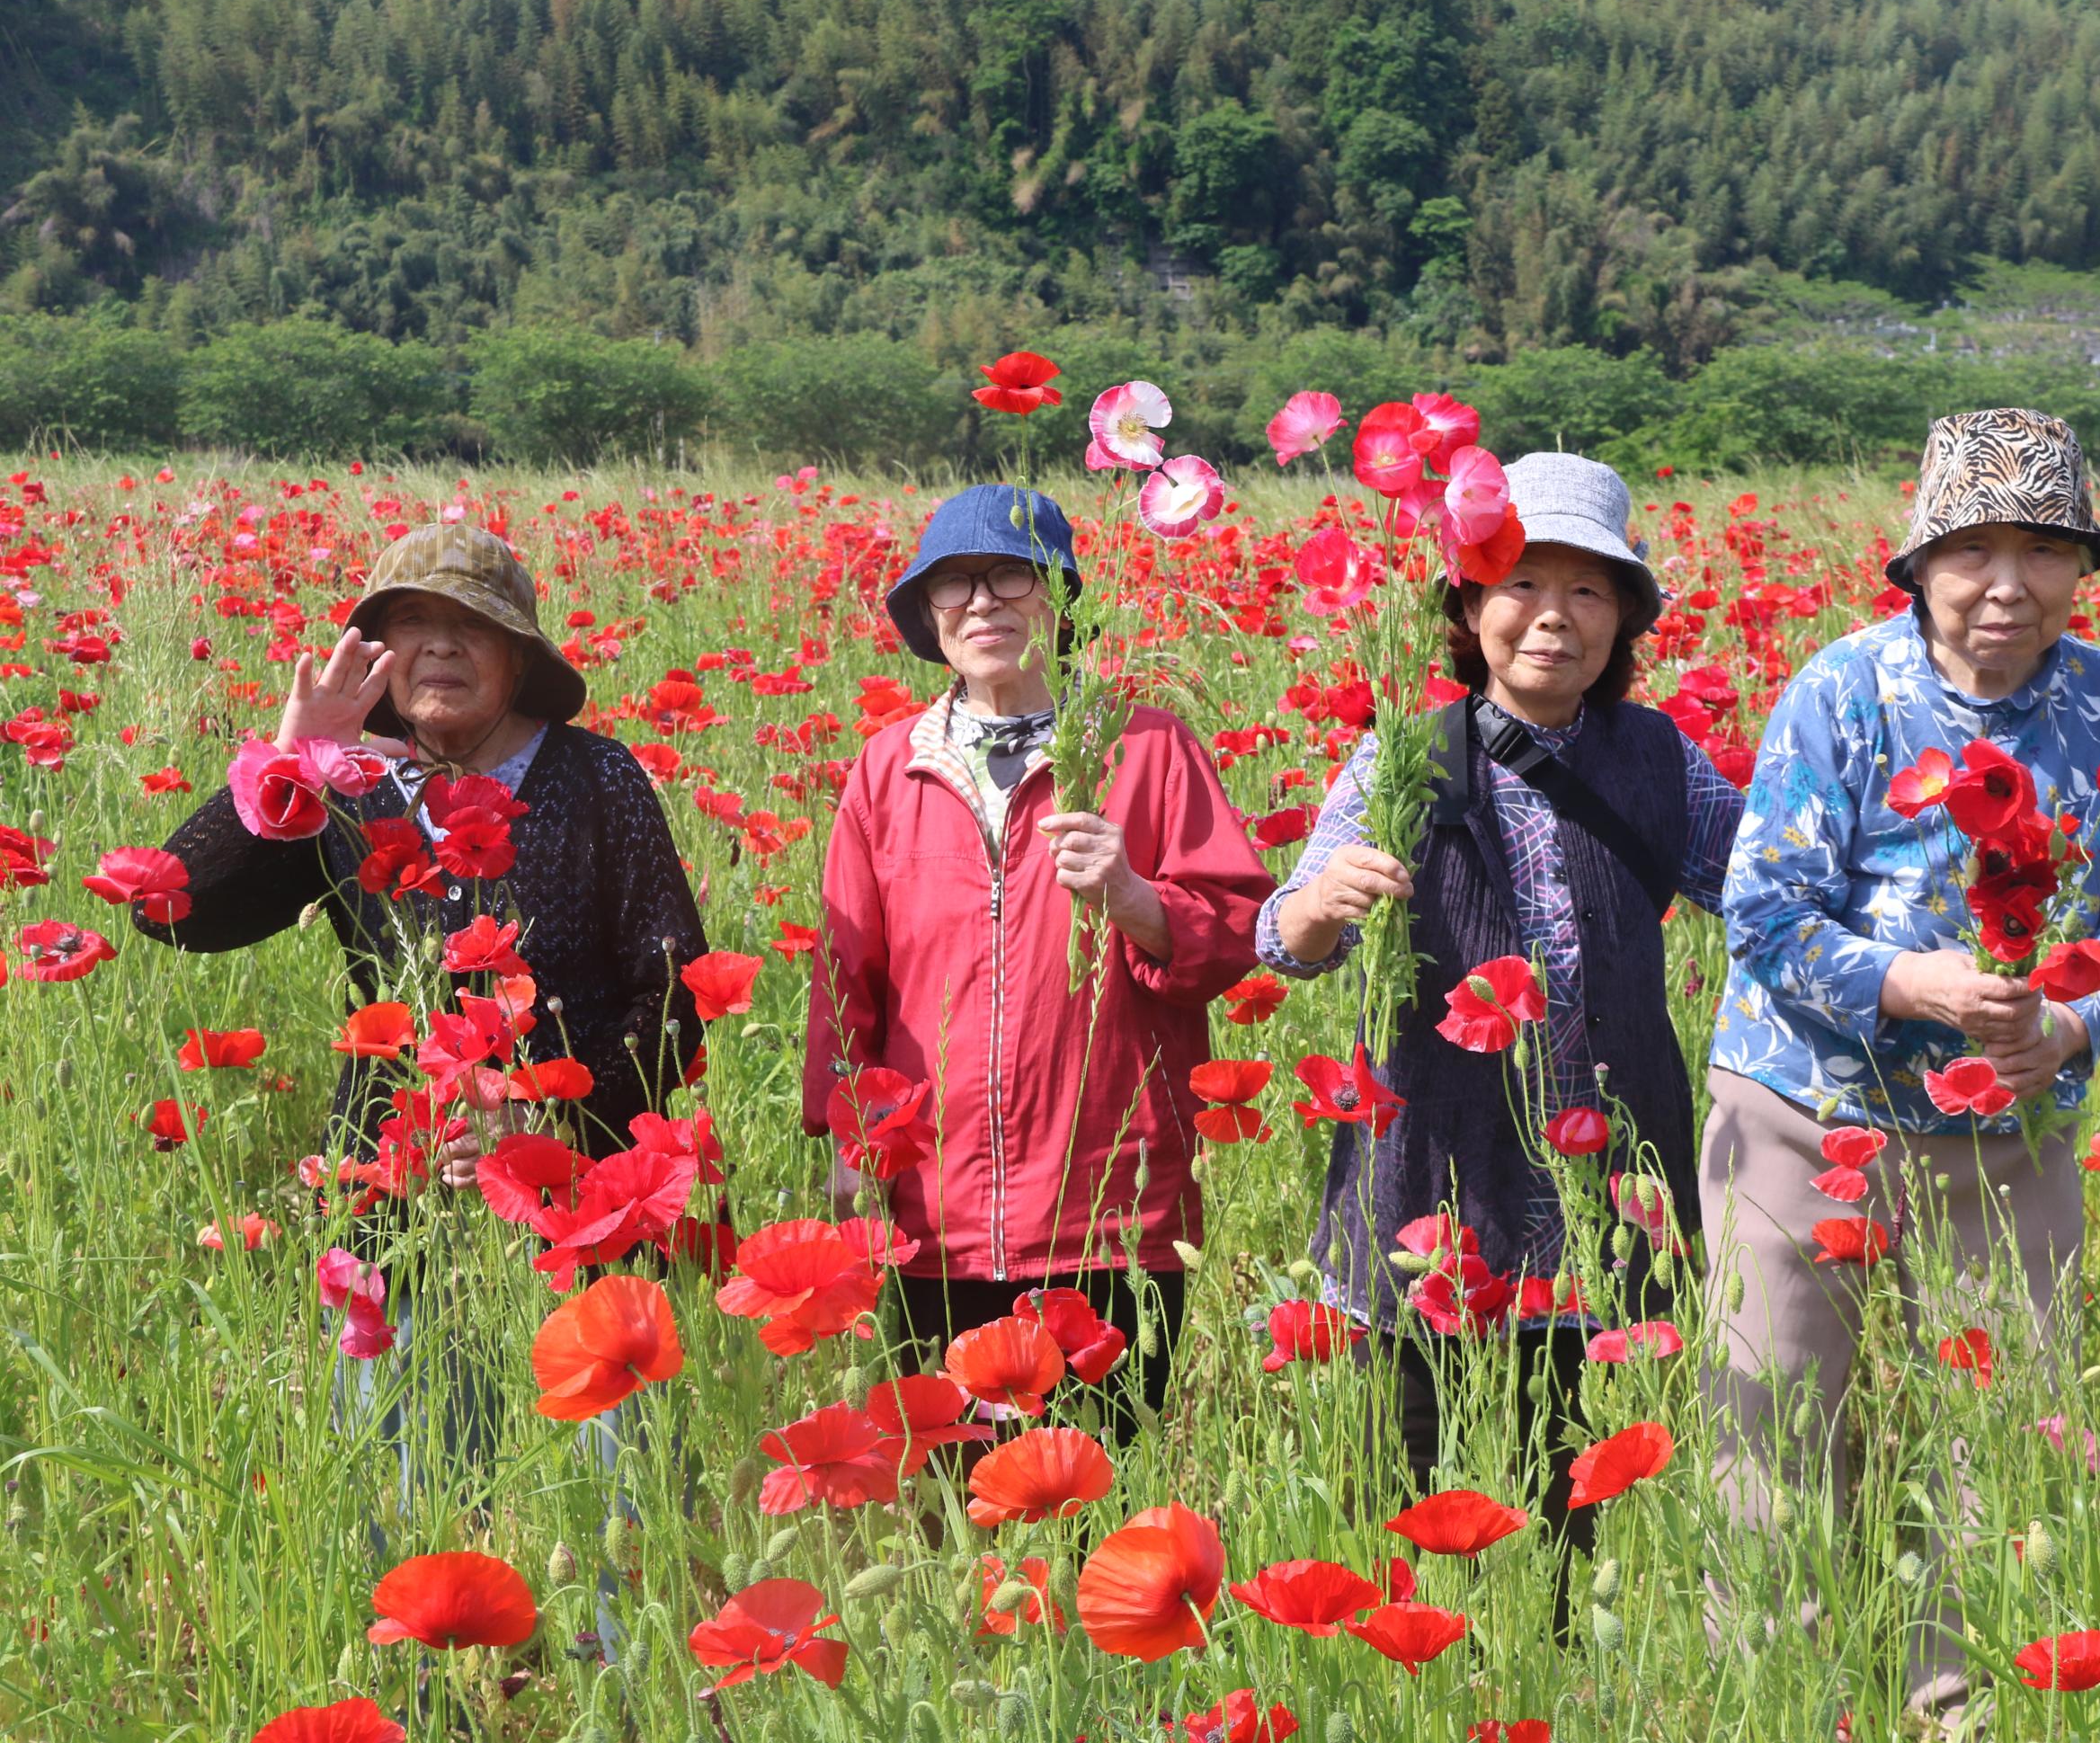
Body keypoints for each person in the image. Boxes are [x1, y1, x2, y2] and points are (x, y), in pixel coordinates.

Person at [1699, 409, 2100, 1707]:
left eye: (2043, 550)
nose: (2006, 585)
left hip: (2004, 1135)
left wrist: (2068, 1024)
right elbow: (1762, 909)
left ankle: (1959, 1699)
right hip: (1809, 1112)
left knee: (2004, 1435)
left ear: (2082, 568)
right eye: (1974, 550)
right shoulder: (1842, 689)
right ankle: (1784, 1690)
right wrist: (1905, 980)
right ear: (1919, 563)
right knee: (1784, 1420)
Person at [137, 521, 713, 1523]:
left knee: (617, 1513)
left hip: (582, 1202)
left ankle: (613, 1683)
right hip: (392, 1210)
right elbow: (175, 909)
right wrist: (293, 757)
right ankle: (430, 1691)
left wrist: (548, 1121)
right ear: (378, 657)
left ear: (520, 659)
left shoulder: (594, 778)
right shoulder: (349, 790)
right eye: (411, 624)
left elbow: (673, 993)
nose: (437, 646)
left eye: (468, 627)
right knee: (413, 1513)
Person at [1261, 452, 1744, 1533]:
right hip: (1433, 1176)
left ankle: (1562, 1683)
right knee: (1414, 1487)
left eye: (1587, 591)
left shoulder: (1659, 760)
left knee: (1581, 1484)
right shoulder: (1399, 757)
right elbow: (1283, 942)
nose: (1552, 616)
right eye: (1521, 583)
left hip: (1606, 1179)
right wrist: (1325, 899)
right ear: (1469, 603)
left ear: (1621, 619)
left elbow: (1767, 892)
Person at [807, 484, 1272, 1432]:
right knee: (961, 1502)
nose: (981, 603)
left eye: (1009, 576)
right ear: (926, 617)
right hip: (932, 1209)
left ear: (1058, 598)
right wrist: (855, 1144)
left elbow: (1236, 927)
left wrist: (1137, 900)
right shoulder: (888, 767)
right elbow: (843, 976)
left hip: (1107, 1205)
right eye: (951, 586)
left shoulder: (1143, 748)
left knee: (1098, 1507)